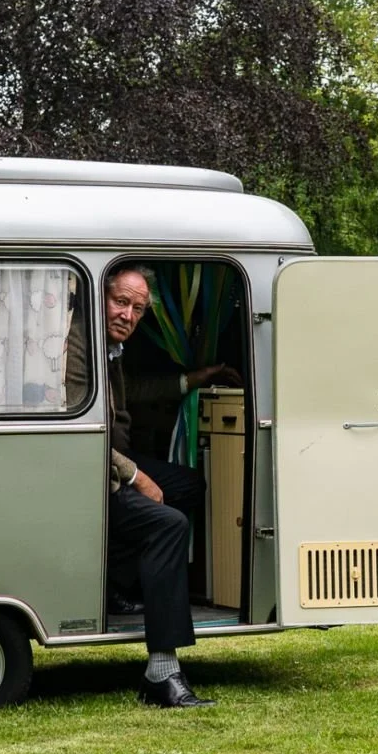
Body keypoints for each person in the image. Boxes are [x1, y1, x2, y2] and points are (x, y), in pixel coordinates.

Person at [67, 265, 237, 708]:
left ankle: (120, 585)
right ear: (95, 295)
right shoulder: (75, 346)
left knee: (185, 486)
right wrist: (136, 476)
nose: (127, 314)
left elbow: (137, 391)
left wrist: (195, 379)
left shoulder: (111, 348)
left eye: (138, 309)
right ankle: (162, 672)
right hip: (88, 474)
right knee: (168, 525)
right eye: (120, 301)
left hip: (112, 463)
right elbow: (79, 432)